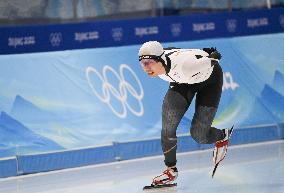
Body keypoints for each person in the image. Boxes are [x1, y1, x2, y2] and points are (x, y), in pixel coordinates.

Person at [138, 41, 233, 186]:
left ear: (160, 59)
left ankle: (222, 135)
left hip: (209, 80)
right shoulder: (161, 60)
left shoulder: (186, 67)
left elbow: (216, 57)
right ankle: (171, 170)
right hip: (181, 81)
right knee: (168, 127)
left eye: (149, 62)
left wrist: (210, 55)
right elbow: (174, 50)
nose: (146, 67)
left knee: (199, 135)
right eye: (143, 63)